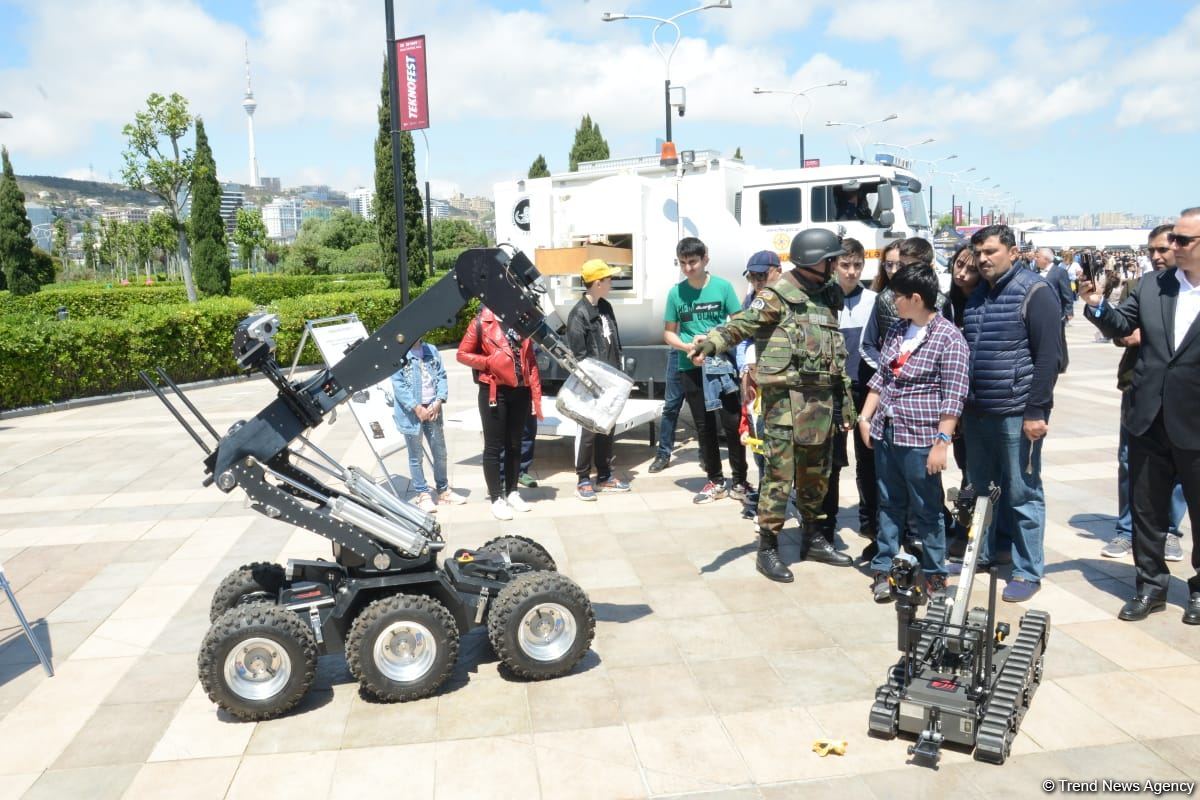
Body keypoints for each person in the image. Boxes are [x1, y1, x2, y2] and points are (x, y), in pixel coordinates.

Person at [691, 228, 857, 582]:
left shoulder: (827, 294)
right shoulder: (776, 296)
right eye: (831, 259)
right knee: (779, 478)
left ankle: (813, 538)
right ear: (815, 261)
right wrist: (709, 345)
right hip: (784, 403)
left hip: (821, 402)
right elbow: (740, 325)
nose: (836, 266)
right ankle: (767, 547)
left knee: (816, 475)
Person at [1081, 207, 1200, 625]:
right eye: (1174, 240)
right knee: (1146, 509)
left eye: (1183, 241)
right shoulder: (1152, 286)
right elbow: (1121, 324)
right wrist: (1096, 305)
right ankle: (1151, 584)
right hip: (1148, 415)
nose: (1173, 247)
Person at [961, 224, 1062, 603]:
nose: (984, 259)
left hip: (1017, 413)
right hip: (978, 411)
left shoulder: (1036, 292)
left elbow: (1049, 357)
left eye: (991, 251)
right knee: (980, 492)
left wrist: (1036, 410)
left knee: (1023, 493)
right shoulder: (977, 296)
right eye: (979, 253)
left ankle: (1027, 570)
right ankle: (981, 557)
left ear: (1013, 251)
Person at [859, 264, 970, 601]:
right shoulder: (896, 331)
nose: (892, 302)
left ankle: (936, 575)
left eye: (898, 296)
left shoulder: (949, 339)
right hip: (887, 433)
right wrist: (865, 417)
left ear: (916, 298)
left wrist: (942, 441)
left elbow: (954, 395)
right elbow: (882, 378)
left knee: (928, 509)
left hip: (921, 438)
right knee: (889, 503)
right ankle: (885, 568)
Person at [1101, 225, 1187, 562]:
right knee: (1129, 459)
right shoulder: (1140, 286)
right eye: (1151, 250)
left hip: (1183, 394)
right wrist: (1126, 336)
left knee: (1181, 465)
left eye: (1163, 249)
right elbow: (1120, 329)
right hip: (1139, 385)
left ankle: (1170, 530)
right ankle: (1126, 529)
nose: (1156, 256)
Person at [663, 236, 749, 504]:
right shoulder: (676, 293)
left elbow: (739, 325)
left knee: (732, 423)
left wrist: (713, 340)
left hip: (721, 367)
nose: (688, 268)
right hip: (690, 366)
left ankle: (741, 481)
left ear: (705, 259)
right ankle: (715, 480)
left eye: (693, 262)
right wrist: (688, 346)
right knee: (704, 427)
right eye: (683, 263)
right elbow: (668, 333)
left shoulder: (722, 288)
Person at [816, 238, 879, 554]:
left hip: (867, 391)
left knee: (869, 459)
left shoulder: (875, 301)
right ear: (834, 266)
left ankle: (871, 523)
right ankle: (827, 527)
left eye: (857, 265)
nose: (852, 272)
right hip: (834, 394)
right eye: (845, 265)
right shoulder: (823, 301)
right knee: (834, 461)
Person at [456, 306, 543, 521]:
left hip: (520, 391)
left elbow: (530, 360)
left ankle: (513, 491)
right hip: (494, 390)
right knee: (494, 446)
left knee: (515, 444)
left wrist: (535, 396)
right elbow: (462, 354)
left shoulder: (519, 319)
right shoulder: (481, 322)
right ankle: (496, 498)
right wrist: (488, 361)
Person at [567, 259, 632, 500]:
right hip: (593, 384)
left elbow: (614, 342)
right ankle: (583, 478)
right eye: (608, 279)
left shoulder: (605, 306)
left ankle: (604, 475)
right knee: (587, 431)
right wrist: (594, 382)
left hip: (612, 382)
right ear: (597, 283)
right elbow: (579, 356)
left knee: (607, 428)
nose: (611, 282)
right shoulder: (578, 314)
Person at [389, 338, 467, 513]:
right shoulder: (399, 354)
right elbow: (398, 385)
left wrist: (439, 401)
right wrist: (416, 407)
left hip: (433, 409)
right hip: (412, 413)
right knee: (416, 455)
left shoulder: (431, 350)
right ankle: (422, 493)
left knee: (440, 452)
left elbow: (441, 376)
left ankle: (443, 490)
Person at [735, 250, 785, 515]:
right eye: (752, 276)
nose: (757, 281)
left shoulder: (789, 299)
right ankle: (764, 490)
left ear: (778, 270)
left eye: (762, 275)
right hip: (755, 383)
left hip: (782, 384)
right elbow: (742, 338)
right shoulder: (750, 301)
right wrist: (745, 369)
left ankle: (786, 495)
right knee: (757, 437)